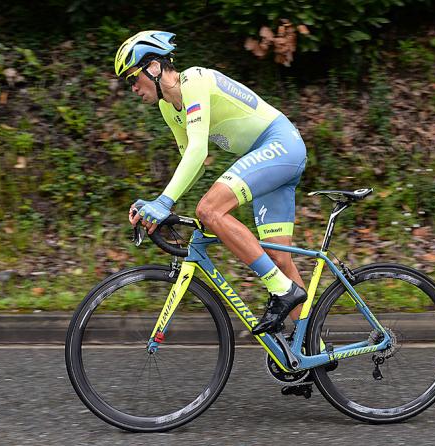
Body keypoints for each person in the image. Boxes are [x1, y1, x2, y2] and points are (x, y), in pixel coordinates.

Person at [115, 30, 307, 335]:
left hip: (279, 144)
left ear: (153, 67)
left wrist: (164, 203)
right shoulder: (168, 107)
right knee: (278, 259)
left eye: (132, 78)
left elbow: (198, 150)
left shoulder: (195, 81)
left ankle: (282, 292)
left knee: (210, 211)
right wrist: (157, 203)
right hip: (268, 157)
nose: (132, 88)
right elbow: (190, 163)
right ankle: (311, 350)